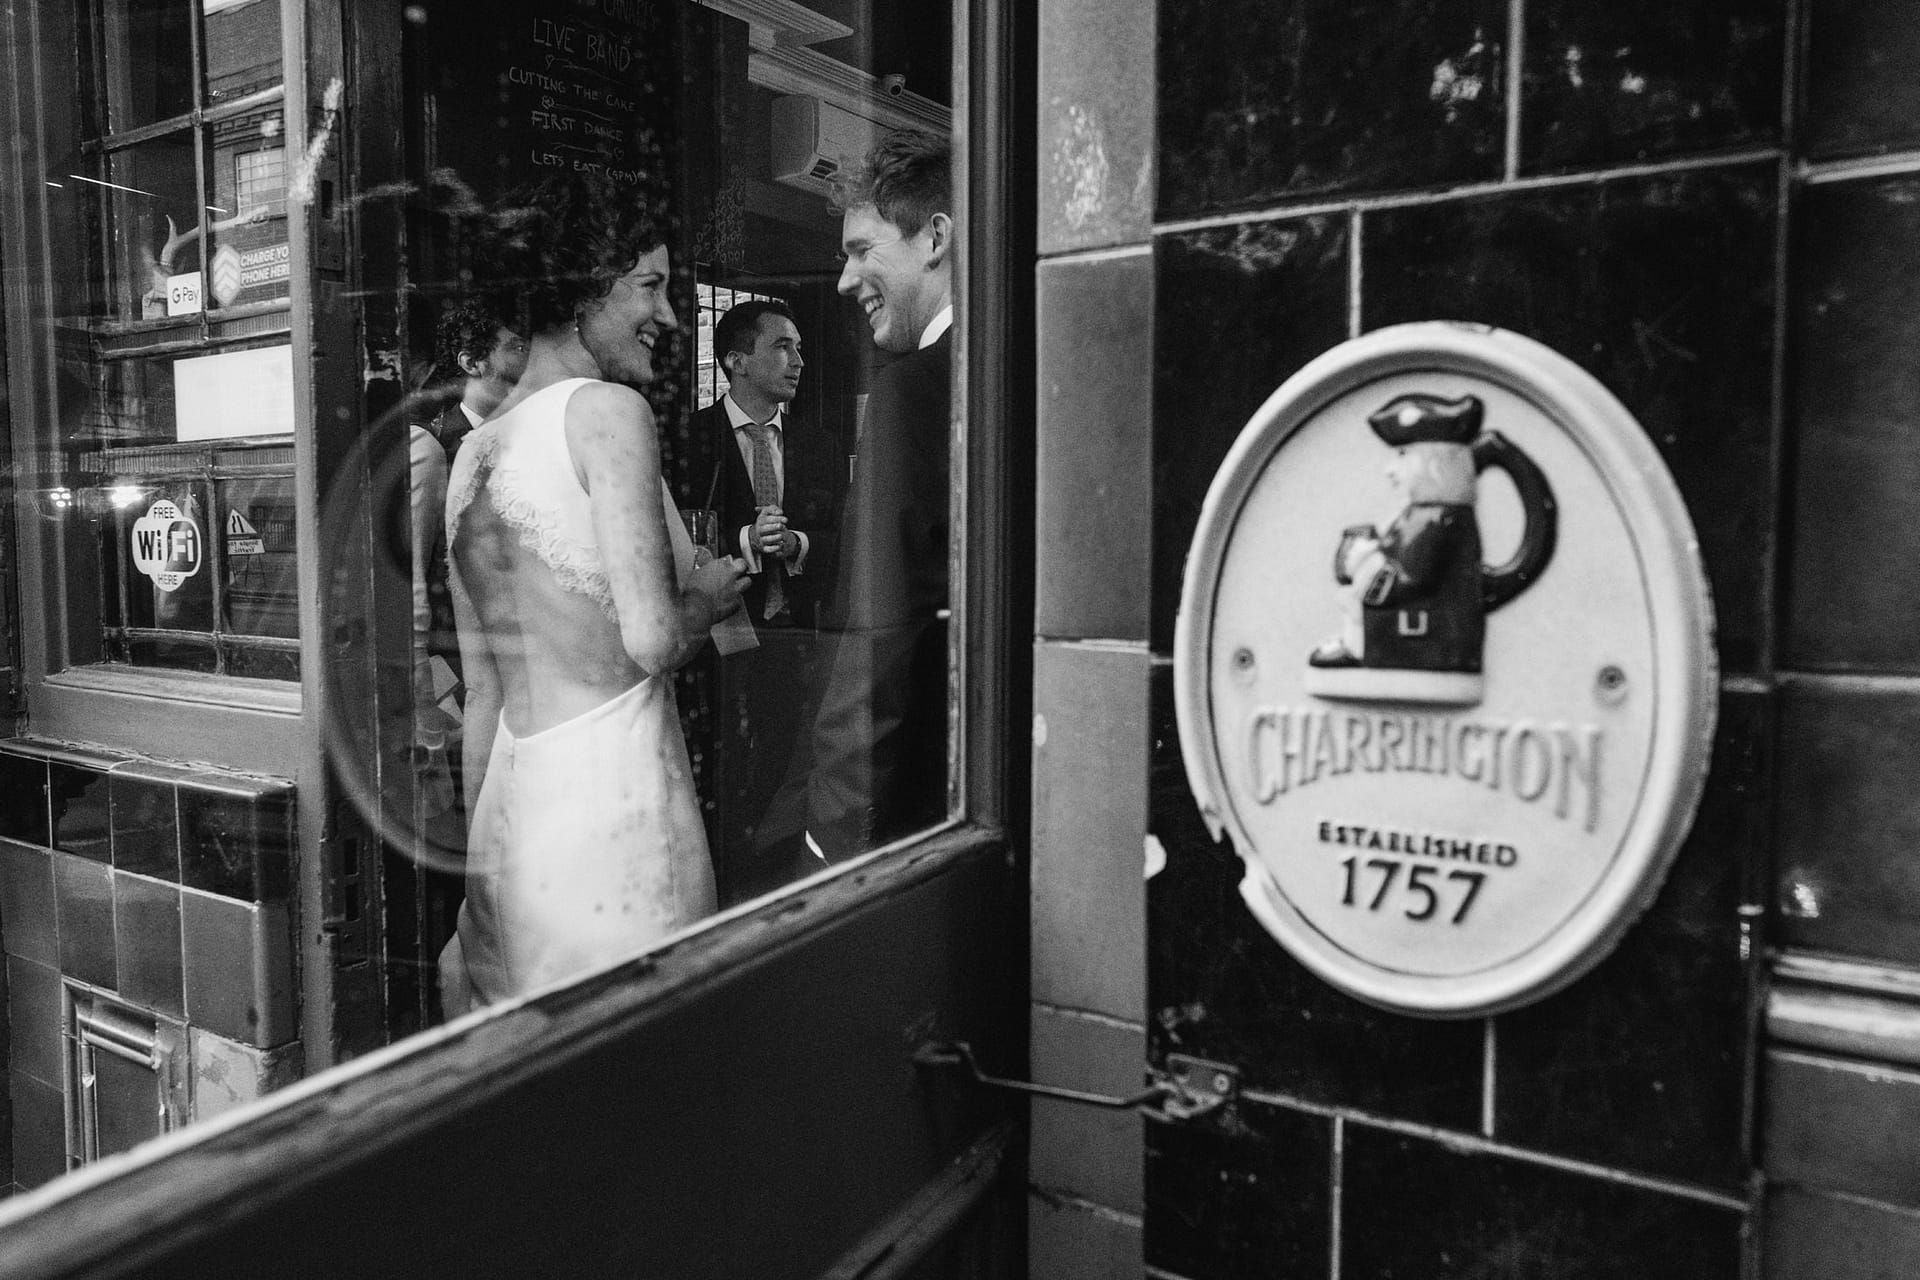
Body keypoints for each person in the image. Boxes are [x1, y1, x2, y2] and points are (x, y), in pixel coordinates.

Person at [437, 174, 749, 1014]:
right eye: (649, 286)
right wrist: (708, 596)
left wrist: (480, 865)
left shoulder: (473, 456)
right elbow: (654, 640)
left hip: (512, 806)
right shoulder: (607, 413)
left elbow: (482, 693)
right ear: (585, 288)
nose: (669, 317)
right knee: (640, 1045)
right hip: (613, 805)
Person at [797, 129, 955, 860]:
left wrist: (833, 834)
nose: (844, 279)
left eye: (863, 250)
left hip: (909, 815)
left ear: (936, 238)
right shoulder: (1018, 370)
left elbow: (878, 639)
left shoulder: (911, 392)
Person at [690, 300, 845, 901]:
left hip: (795, 643)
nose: (798, 360)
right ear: (736, 361)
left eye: (800, 347)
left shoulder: (819, 444)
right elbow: (676, 539)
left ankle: (773, 884)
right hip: (716, 646)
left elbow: (846, 539)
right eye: (783, 346)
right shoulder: (691, 440)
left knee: (787, 770)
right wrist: (744, 543)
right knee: (723, 774)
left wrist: (799, 543)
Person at [408, 300, 528, 836]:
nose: (528, 357)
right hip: (456, 652)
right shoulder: (434, 444)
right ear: (472, 363)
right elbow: (420, 565)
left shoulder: (529, 436)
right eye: (514, 347)